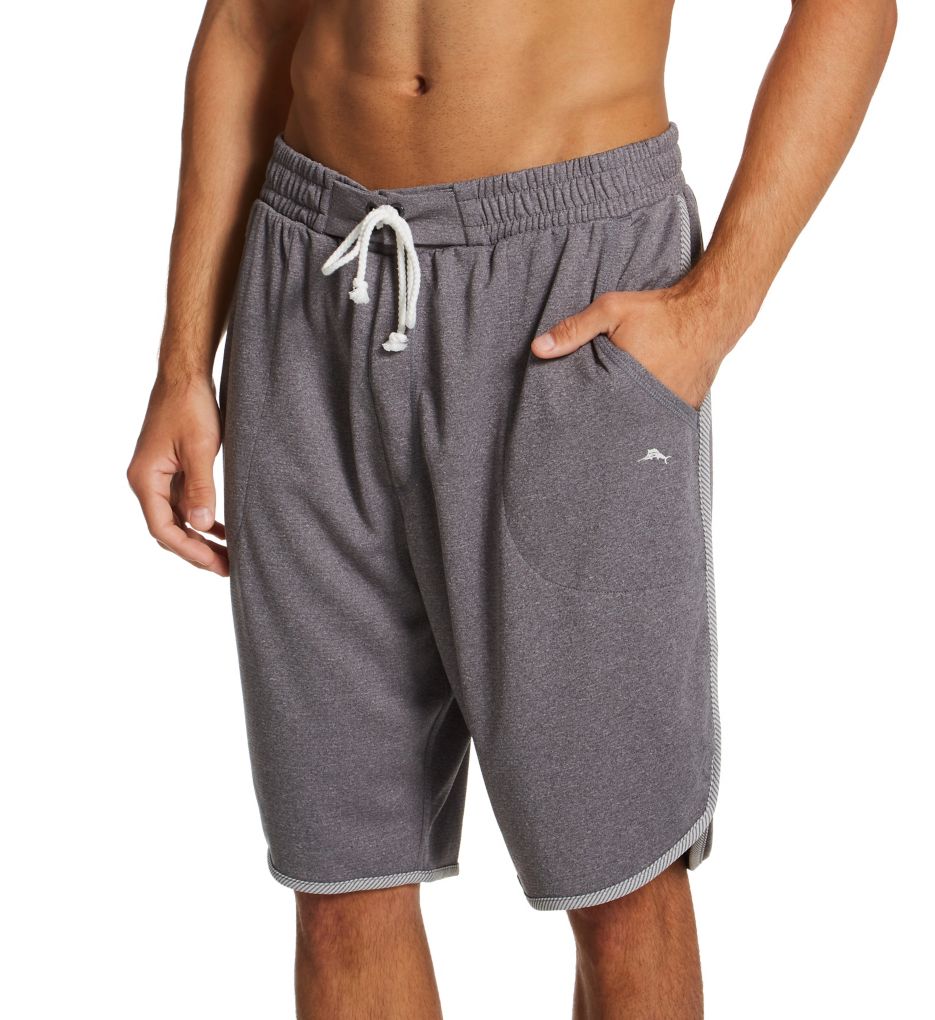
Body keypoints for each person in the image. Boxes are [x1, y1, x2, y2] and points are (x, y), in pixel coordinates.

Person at [127, 1, 896, 1016]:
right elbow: (245, 24)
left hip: (566, 289)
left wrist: (714, 310)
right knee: (341, 882)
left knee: (617, 881)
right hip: (311, 278)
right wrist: (184, 361)